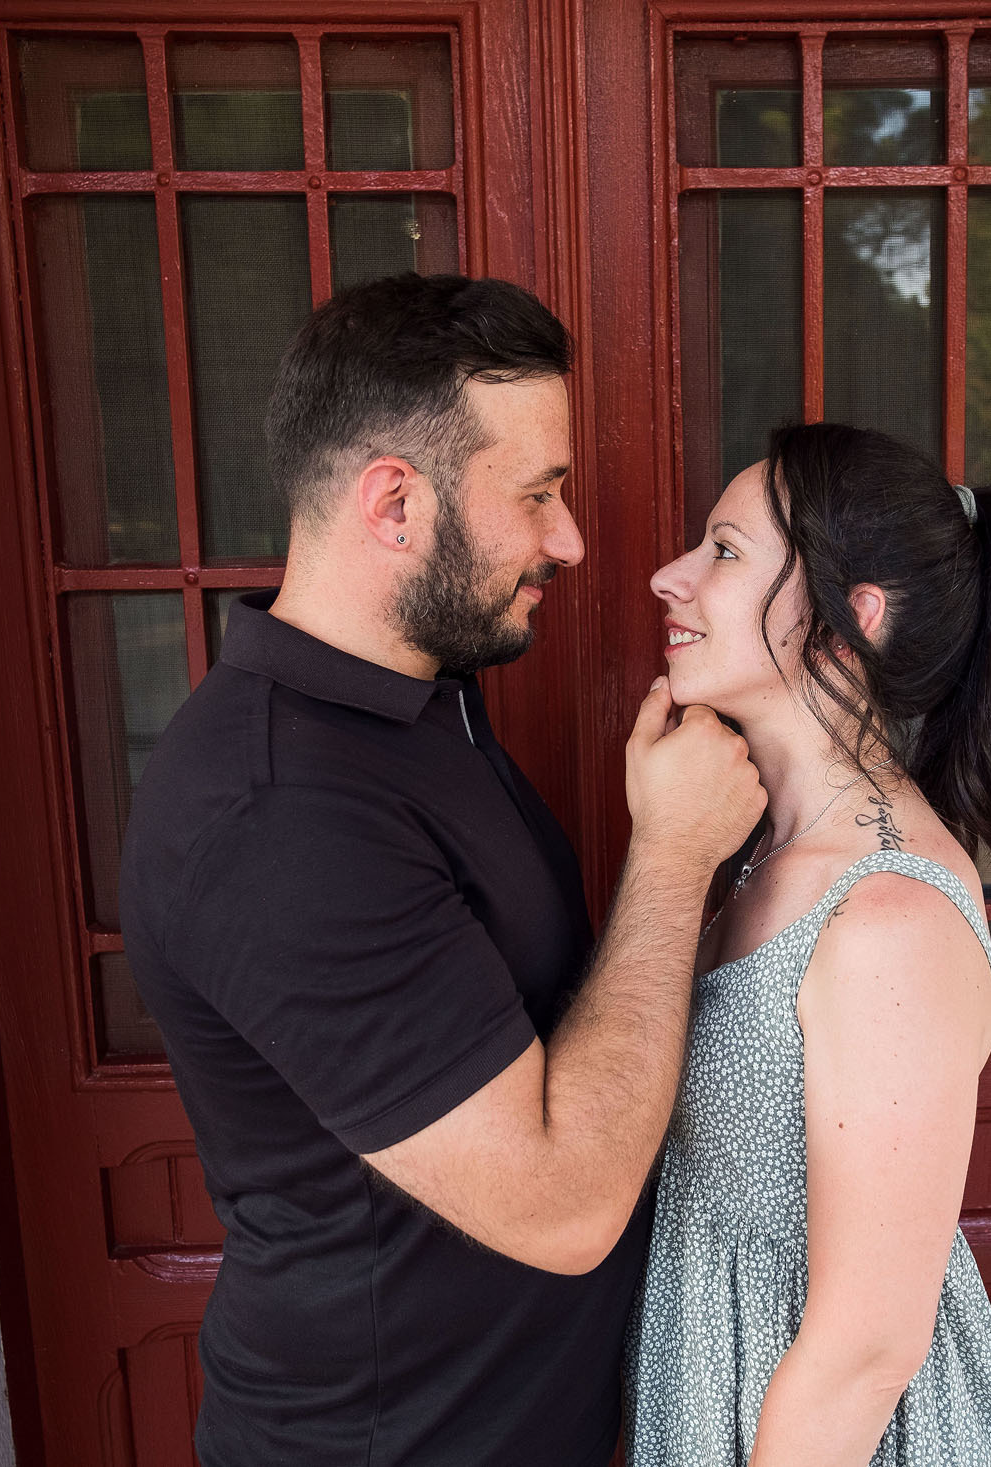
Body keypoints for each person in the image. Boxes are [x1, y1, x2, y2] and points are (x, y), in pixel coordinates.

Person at [119, 273, 763, 1467]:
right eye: (538, 494)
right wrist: (672, 857)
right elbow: (562, 1205)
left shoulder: (418, 703)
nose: (569, 540)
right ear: (395, 504)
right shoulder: (276, 817)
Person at [625, 421, 991, 1467]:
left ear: (849, 620)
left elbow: (866, 1350)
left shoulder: (886, 922)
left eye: (725, 553)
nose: (668, 577)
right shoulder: (748, 849)